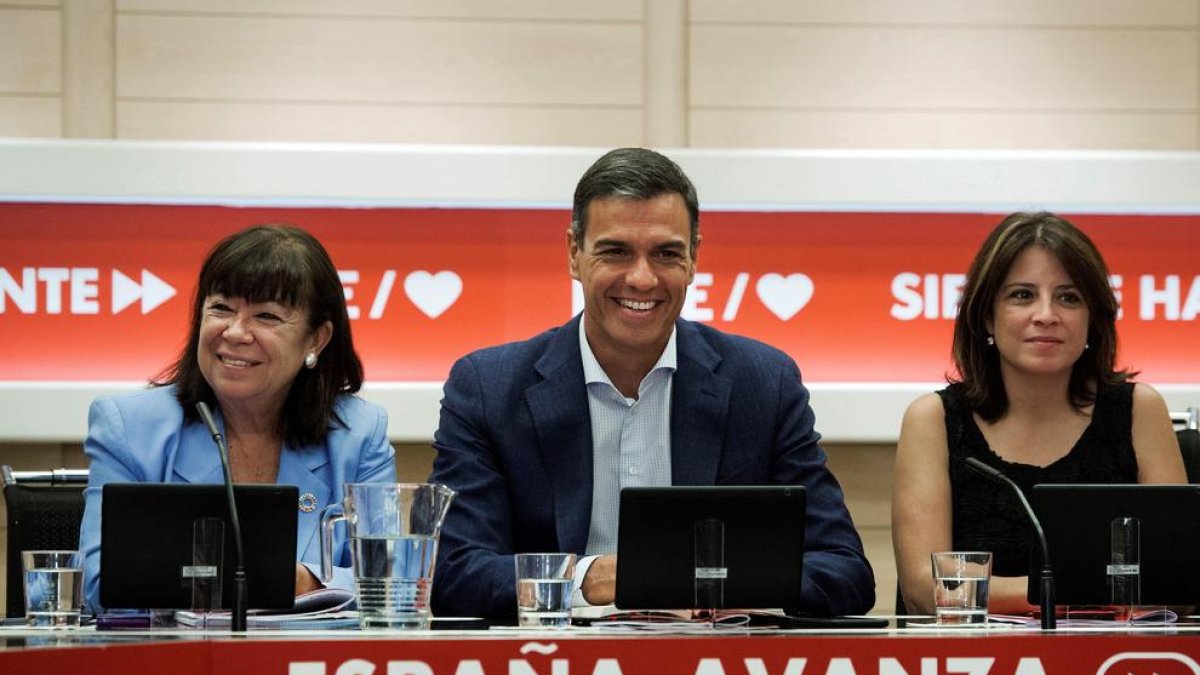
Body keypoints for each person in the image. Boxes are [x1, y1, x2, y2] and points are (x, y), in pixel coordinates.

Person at [429, 147, 874, 621]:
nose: (641, 278)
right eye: (615, 251)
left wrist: (712, 581)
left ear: (694, 259)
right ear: (574, 254)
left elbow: (845, 573)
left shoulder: (763, 383)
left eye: (665, 254)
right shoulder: (487, 387)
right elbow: (455, 575)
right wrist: (589, 578)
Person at [79, 224, 396, 612]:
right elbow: (100, 585)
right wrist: (263, 580)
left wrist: (307, 579)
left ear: (316, 339)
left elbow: (390, 582)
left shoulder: (358, 434)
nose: (235, 332)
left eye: (266, 316)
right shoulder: (128, 427)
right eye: (221, 309)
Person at [891, 212, 1186, 615]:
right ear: (986, 316)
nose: (1046, 314)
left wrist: (1022, 594)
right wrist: (1077, 592)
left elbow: (1178, 579)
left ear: (1093, 322)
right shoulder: (934, 420)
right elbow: (925, 590)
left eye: (1069, 297)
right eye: (1022, 295)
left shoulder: (1139, 410)